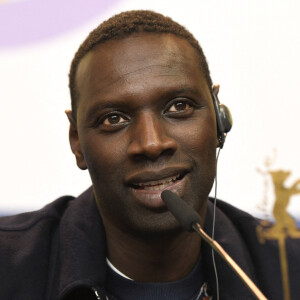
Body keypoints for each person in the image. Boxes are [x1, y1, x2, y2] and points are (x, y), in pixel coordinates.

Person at [0, 10, 299, 300]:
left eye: (179, 106)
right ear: (77, 141)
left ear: (220, 122)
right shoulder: (9, 266)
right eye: (114, 119)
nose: (152, 144)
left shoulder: (289, 271)